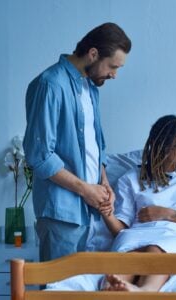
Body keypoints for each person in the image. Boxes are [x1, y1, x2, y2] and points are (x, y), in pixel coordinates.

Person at [23, 22, 132, 262]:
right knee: (59, 292)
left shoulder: (90, 88)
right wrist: (86, 190)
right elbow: (40, 156)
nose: (114, 74)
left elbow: (96, 146)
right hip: (61, 213)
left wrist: (104, 184)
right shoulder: (50, 85)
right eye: (112, 66)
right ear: (93, 54)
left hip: (87, 211)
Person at [101, 115, 176, 292]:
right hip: (136, 235)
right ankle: (110, 289)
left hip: (174, 236)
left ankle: (144, 291)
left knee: (155, 250)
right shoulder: (130, 179)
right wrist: (106, 212)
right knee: (130, 257)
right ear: (164, 146)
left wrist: (167, 214)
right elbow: (120, 229)